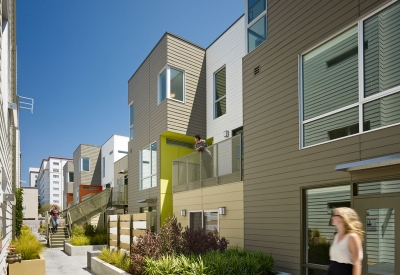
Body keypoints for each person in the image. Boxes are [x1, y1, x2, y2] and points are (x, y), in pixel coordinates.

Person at [328, 207, 363, 275]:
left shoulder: (352, 237)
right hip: (332, 270)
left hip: (345, 271)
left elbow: (357, 263)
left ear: (343, 218)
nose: (332, 217)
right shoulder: (337, 236)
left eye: (335, 215)